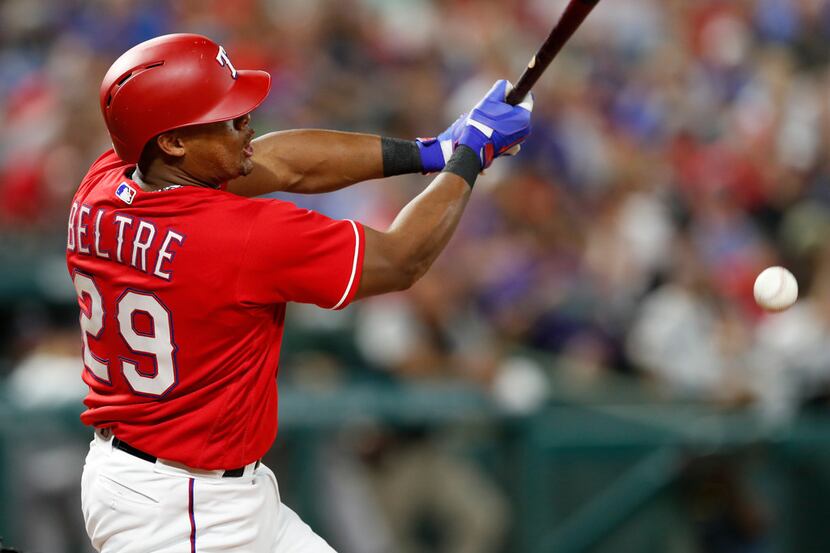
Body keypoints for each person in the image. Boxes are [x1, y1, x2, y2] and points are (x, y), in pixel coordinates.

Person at [67, 33, 532, 552]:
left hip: (174, 482)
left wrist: (432, 151)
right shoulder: (236, 237)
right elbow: (402, 259)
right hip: (186, 511)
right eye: (227, 117)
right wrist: (469, 156)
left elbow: (282, 162)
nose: (247, 124)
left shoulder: (104, 184)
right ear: (173, 142)